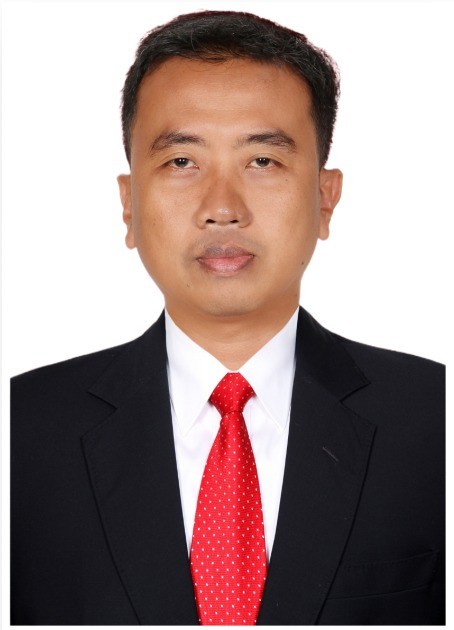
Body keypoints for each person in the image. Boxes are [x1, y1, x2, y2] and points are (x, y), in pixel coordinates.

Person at [11, 10, 444, 625]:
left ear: (325, 198)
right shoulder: (20, 432)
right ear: (128, 205)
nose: (222, 207)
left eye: (262, 161)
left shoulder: (435, 421)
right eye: (181, 162)